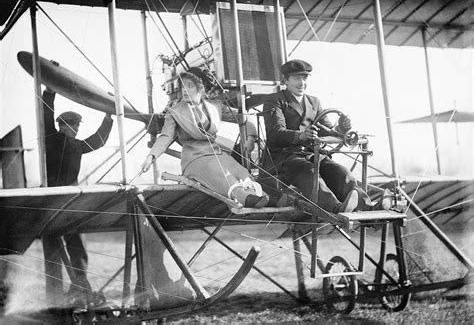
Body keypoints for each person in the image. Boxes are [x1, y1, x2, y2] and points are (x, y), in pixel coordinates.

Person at [263, 59, 391, 213]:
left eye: (305, 78)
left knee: (341, 172)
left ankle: (369, 207)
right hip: (284, 158)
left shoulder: (314, 102)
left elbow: (327, 130)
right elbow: (275, 132)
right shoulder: (275, 100)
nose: (302, 83)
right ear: (285, 80)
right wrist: (300, 136)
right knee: (309, 173)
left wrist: (342, 128)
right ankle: (336, 208)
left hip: (311, 153)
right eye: (297, 78)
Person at [141, 67, 269, 208]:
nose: (184, 90)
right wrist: (151, 156)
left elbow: (245, 119)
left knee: (240, 171)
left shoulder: (215, 106)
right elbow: (165, 136)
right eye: (182, 86)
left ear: (200, 88)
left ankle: (262, 197)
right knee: (223, 174)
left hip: (215, 154)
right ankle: (245, 198)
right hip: (194, 159)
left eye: (189, 86)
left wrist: (251, 137)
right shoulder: (174, 112)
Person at [41, 87, 113, 306]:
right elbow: (46, 115)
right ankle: (64, 293)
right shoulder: (58, 140)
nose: (75, 130)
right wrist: (49, 93)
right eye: (74, 126)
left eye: (76, 127)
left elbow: (99, 140)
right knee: (63, 244)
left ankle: (71, 290)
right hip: (60, 198)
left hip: (63, 198)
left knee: (67, 244)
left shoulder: (73, 144)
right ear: (66, 126)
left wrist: (108, 118)